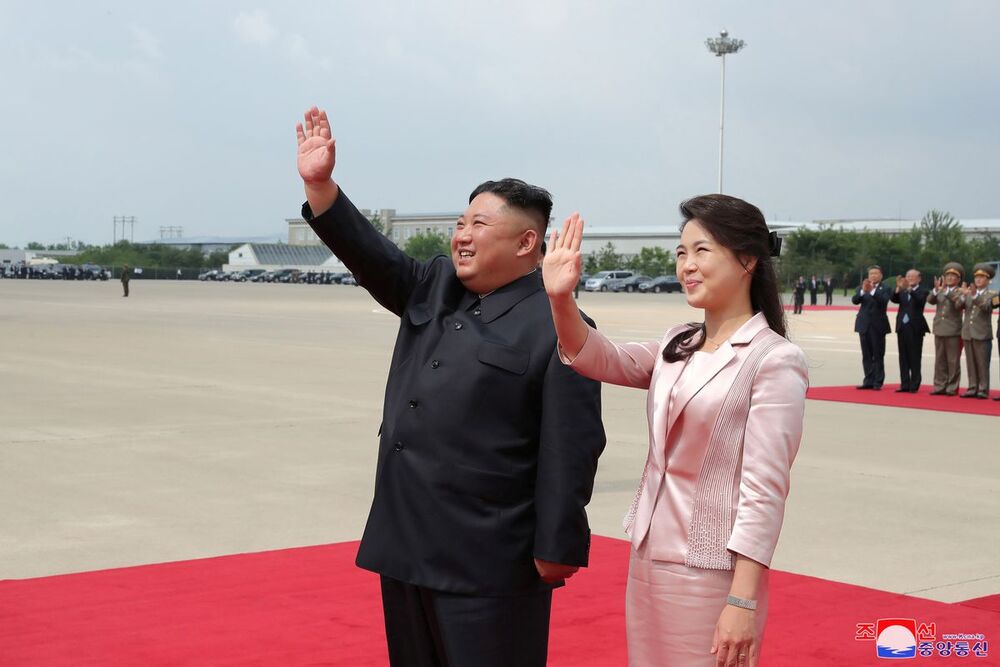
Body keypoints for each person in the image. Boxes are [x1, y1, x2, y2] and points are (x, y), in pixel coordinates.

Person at [294, 107, 606, 667]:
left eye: (479, 225)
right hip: (407, 542)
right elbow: (371, 255)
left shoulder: (558, 324)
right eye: (461, 223)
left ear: (526, 242)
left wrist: (558, 548)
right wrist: (322, 187)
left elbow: (572, 445)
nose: (462, 235)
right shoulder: (433, 287)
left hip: (489, 558)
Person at [543, 195, 807, 667]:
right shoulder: (677, 343)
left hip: (712, 571)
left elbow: (764, 490)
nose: (687, 265)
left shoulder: (773, 360)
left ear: (747, 258)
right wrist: (562, 299)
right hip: (648, 556)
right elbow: (601, 358)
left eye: (701, 251)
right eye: (681, 252)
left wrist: (742, 601)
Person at [957, 263, 998, 399]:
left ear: (988, 280)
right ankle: (972, 387)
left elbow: (987, 308)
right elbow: (958, 306)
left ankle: (983, 389)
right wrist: (963, 296)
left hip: (982, 333)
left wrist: (974, 296)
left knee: (982, 363)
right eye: (977, 277)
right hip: (968, 332)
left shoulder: (993, 294)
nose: (978, 280)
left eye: (982, 278)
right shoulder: (968, 292)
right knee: (971, 362)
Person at [889, 269, 930, 393]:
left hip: (915, 327)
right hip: (902, 326)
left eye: (913, 276)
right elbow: (894, 299)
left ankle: (914, 384)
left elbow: (920, 301)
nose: (910, 278)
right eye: (908, 276)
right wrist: (897, 288)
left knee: (914, 356)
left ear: (919, 278)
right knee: (903, 357)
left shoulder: (923, 291)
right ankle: (904, 384)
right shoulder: (902, 289)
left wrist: (909, 290)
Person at [851, 266, 891, 390]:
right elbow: (855, 300)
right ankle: (868, 380)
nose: (873, 275)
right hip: (864, 325)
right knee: (866, 354)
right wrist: (863, 291)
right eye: (871, 273)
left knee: (878, 354)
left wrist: (872, 291)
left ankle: (878, 381)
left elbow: (883, 301)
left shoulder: (885, 288)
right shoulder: (862, 286)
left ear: (881, 275)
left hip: (878, 325)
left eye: (876, 273)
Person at [928, 262, 965, 396]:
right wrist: (936, 290)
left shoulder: (960, 292)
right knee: (940, 359)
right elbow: (930, 300)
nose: (949, 278)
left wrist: (948, 292)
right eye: (947, 275)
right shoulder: (941, 290)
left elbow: (959, 305)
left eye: (953, 276)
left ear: (958, 279)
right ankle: (939, 385)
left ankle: (951, 387)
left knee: (953, 360)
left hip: (953, 330)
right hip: (939, 328)